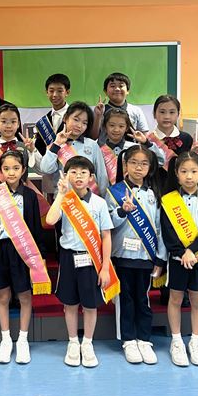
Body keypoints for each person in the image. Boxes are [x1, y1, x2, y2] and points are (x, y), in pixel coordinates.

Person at [0, 150, 47, 364]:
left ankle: (23, 340)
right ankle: (6, 339)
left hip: (23, 251)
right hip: (0, 250)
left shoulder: (30, 196)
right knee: (3, 295)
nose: (11, 172)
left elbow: (36, 227)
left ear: (23, 170)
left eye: (16, 168)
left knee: (24, 295)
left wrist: (41, 255)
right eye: (6, 168)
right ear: (0, 171)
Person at [45, 156, 114, 368]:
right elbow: (50, 220)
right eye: (73, 172)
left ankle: (88, 343)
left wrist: (105, 268)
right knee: (70, 304)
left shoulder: (99, 203)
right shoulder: (64, 200)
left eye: (83, 172)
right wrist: (61, 194)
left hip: (92, 259)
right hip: (68, 257)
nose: (78, 176)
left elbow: (106, 236)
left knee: (90, 305)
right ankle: (73, 342)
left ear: (91, 177)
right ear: (66, 175)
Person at [108, 145, 166, 365]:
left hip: (145, 257)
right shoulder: (114, 192)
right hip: (122, 256)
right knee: (125, 299)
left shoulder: (154, 194)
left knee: (143, 299)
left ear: (150, 167)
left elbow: (159, 228)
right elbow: (108, 223)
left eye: (143, 164)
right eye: (133, 163)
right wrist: (122, 211)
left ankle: (144, 339)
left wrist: (160, 258)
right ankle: (128, 340)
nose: (138, 168)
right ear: (125, 165)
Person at [161, 152, 198, 367]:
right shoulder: (168, 200)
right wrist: (182, 252)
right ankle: (176, 341)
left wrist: (191, 251)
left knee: (197, 299)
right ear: (176, 173)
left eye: (194, 171)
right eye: (184, 171)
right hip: (177, 258)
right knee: (175, 298)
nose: (189, 176)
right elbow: (167, 232)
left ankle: (195, 340)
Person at [40, 101, 108, 196]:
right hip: (64, 199)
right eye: (76, 120)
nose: (79, 125)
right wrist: (57, 144)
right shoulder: (55, 145)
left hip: (90, 199)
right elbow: (45, 169)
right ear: (65, 118)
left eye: (84, 123)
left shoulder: (92, 145)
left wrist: (105, 201)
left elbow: (102, 176)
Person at [0, 103, 41, 197]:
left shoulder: (26, 147)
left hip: (22, 197)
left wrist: (33, 150)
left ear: (18, 124)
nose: (8, 126)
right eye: (4, 121)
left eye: (13, 122)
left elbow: (40, 170)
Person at [100, 107, 165, 185]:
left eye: (121, 126)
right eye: (112, 125)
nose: (116, 129)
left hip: (134, 191)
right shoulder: (97, 149)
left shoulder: (135, 148)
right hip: (105, 191)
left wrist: (146, 143)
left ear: (126, 128)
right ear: (105, 126)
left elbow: (160, 161)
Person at [91, 72, 149, 144]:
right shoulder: (100, 110)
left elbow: (144, 136)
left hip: (131, 149)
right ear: (105, 91)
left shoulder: (136, 110)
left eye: (121, 86)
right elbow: (93, 137)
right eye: (112, 86)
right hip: (105, 150)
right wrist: (98, 116)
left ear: (128, 91)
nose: (117, 89)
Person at [34, 73, 71, 157]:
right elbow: (40, 150)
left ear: (67, 92)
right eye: (51, 91)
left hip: (71, 162)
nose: (55, 95)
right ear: (46, 92)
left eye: (60, 91)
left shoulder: (75, 116)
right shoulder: (43, 122)